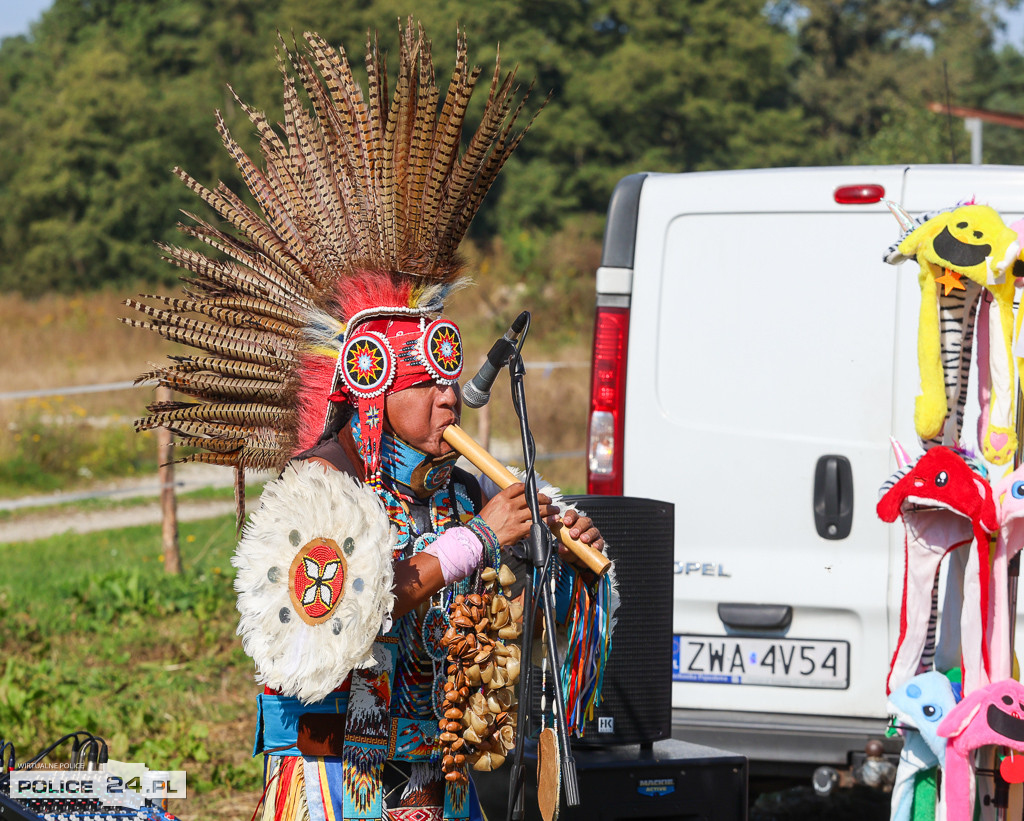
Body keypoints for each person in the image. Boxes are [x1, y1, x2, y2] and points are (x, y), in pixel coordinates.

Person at [125, 20, 614, 821]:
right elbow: (336, 616)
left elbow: (510, 631)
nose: (448, 400)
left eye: (451, 383)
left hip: (434, 779)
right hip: (333, 780)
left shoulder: (457, 494)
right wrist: (476, 542)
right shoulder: (318, 487)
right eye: (425, 385)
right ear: (374, 389)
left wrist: (559, 568)